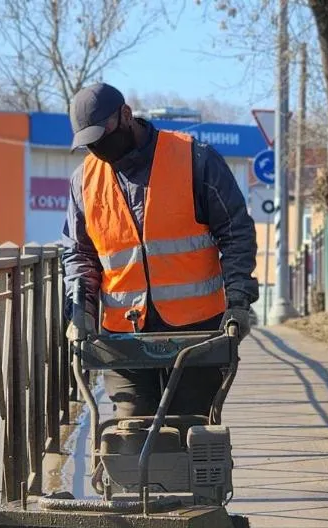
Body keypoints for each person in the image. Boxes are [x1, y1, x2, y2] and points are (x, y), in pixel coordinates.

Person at [61, 82, 259, 420]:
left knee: (190, 428)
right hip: (124, 338)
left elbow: (235, 233)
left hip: (197, 334)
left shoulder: (194, 159)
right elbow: (79, 254)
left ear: (126, 115)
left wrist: (238, 301)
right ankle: (137, 475)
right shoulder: (84, 182)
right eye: (88, 142)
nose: (97, 148)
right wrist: (80, 309)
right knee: (131, 431)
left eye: (101, 135)